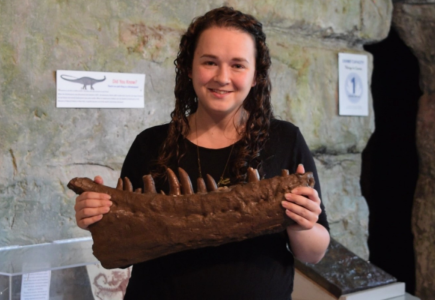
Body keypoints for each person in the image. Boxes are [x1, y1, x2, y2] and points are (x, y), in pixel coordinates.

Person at [74, 6, 330, 300]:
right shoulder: (150, 144)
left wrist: (302, 223)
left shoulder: (285, 140)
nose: (222, 77)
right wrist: (95, 216)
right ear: (188, 67)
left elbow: (314, 253)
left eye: (238, 65)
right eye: (210, 62)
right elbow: (119, 254)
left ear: (256, 75)